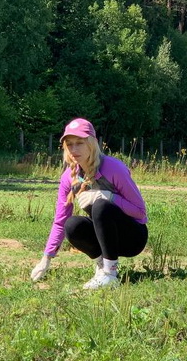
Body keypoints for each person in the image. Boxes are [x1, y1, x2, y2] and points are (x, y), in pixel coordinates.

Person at [30, 118, 148, 289]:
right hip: (105, 236)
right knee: (71, 225)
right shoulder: (68, 178)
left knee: (101, 205)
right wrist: (46, 259)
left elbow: (140, 212)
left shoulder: (114, 168)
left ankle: (110, 273)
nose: (74, 149)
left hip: (132, 238)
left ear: (91, 144)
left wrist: (108, 196)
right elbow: (60, 220)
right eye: (69, 144)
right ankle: (102, 267)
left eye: (80, 143)